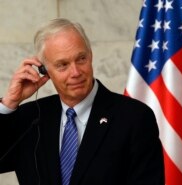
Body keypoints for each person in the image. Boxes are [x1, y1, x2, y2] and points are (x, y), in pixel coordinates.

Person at [0, 18, 164, 185]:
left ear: (90, 56)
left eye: (81, 59)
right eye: (62, 65)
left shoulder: (135, 117)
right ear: (44, 70)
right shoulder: (29, 118)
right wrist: (8, 104)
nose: (76, 72)